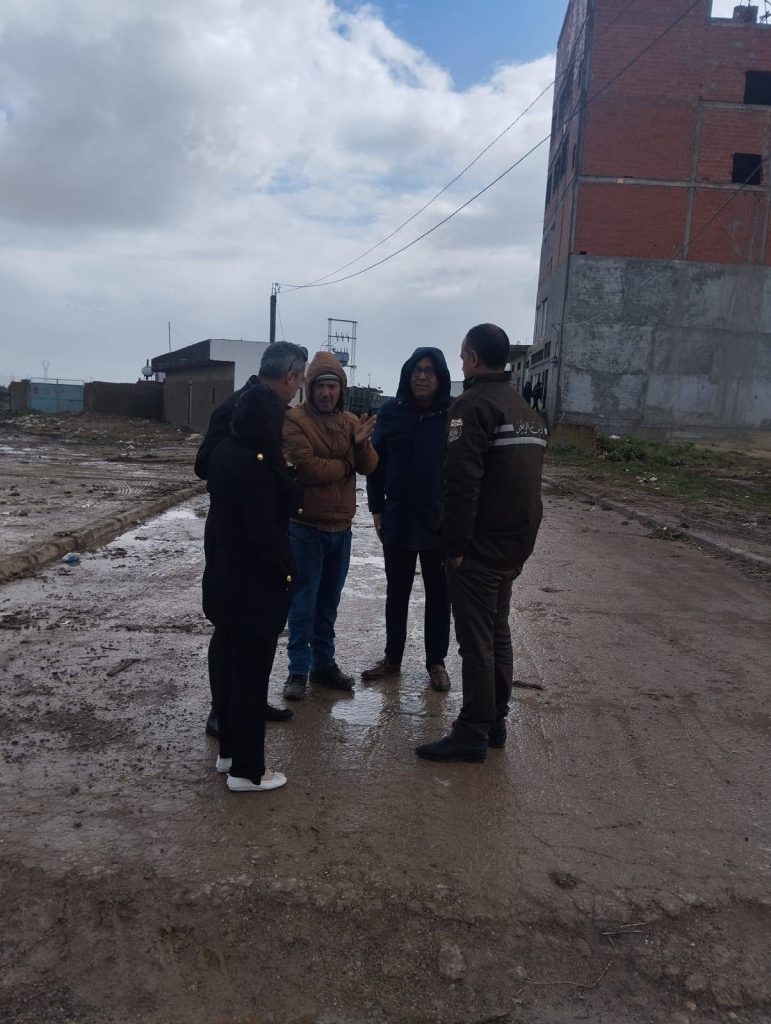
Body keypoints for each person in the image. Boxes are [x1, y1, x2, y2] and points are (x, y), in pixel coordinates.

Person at [416, 323, 547, 764]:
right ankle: (494, 723)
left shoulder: (472, 405)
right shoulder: (523, 408)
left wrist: (454, 546)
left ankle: (472, 731)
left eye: (462, 356)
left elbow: (462, 482)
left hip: (479, 549)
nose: (461, 363)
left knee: (477, 643)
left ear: (472, 357)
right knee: (497, 635)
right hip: (512, 546)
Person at [195, 341, 307, 736]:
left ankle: (249, 701)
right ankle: (221, 712)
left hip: (259, 531)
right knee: (230, 628)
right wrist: (256, 477)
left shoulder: (273, 408)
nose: (300, 387)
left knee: (258, 630)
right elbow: (204, 464)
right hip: (237, 538)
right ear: (290, 376)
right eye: (300, 379)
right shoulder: (239, 407)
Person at [282, 351, 378, 701]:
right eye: (320, 386)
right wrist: (346, 464)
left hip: (342, 530)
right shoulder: (294, 420)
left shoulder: (351, 422)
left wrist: (361, 446)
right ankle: (297, 671)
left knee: (328, 604)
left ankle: (324, 666)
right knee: (303, 603)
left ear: (341, 389)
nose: (326, 393)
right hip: (306, 528)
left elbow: (370, 466)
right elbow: (307, 469)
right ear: (309, 388)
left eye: (332, 386)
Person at [362, 348, 452, 692]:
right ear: (407, 374)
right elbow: (374, 465)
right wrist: (377, 509)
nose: (422, 376)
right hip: (398, 518)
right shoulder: (391, 413)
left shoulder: (452, 417)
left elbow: (463, 468)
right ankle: (392, 657)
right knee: (396, 592)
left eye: (429, 370)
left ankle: (436, 662)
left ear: (440, 377)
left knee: (439, 595)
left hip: (437, 520)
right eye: (416, 370)